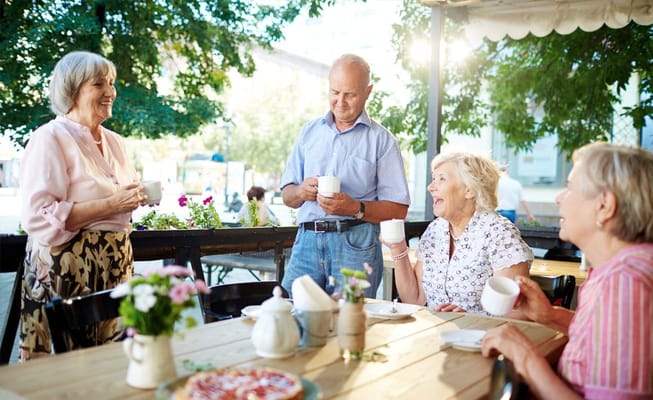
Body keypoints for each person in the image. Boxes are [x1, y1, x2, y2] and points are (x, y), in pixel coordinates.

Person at [480, 142, 653, 399]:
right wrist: (549, 315)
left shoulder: (624, 283)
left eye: (571, 187)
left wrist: (523, 355)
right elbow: (605, 339)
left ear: (604, 206)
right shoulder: (620, 271)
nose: (559, 198)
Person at [19, 51, 147, 361]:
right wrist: (111, 203)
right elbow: (37, 217)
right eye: (99, 83)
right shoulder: (49, 137)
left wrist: (132, 198)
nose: (110, 92)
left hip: (116, 263)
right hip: (66, 267)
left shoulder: (116, 141)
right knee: (67, 372)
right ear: (72, 90)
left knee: (118, 362)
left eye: (112, 83)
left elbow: (116, 200)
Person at [280, 53, 410, 298]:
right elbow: (287, 195)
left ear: (368, 92)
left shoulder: (382, 140)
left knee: (349, 324)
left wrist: (356, 208)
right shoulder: (308, 133)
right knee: (289, 315)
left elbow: (399, 208)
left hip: (356, 244)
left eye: (350, 94)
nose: (340, 101)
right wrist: (300, 192)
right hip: (306, 241)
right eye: (334, 92)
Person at [384, 152, 532, 315]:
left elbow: (517, 314)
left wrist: (469, 318)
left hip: (480, 338)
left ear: (469, 189)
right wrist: (398, 248)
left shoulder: (499, 233)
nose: (431, 187)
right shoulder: (436, 230)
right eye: (434, 179)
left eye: (441, 179)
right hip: (436, 332)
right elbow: (414, 299)